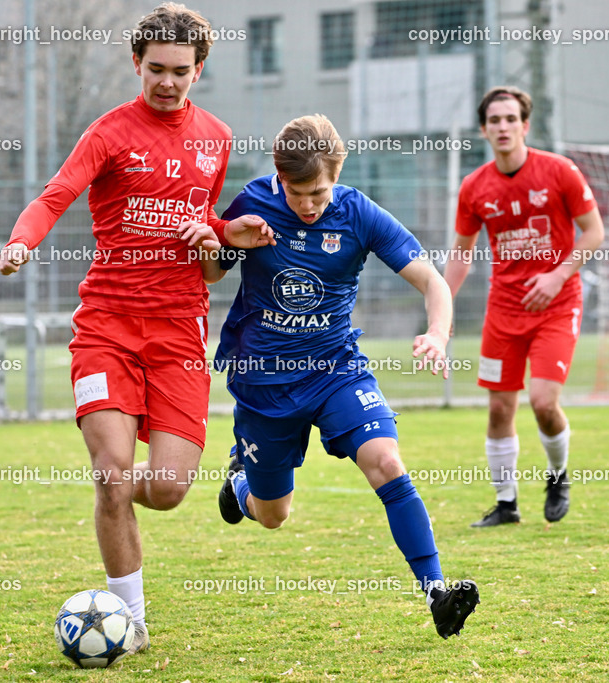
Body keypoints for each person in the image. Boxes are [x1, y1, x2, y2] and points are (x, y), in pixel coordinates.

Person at [0, 3, 274, 655]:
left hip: (179, 332)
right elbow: (55, 194)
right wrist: (20, 241)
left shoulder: (217, 137)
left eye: (181, 71)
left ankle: (192, 490)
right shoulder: (109, 132)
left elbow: (210, 266)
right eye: (156, 69)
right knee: (112, 473)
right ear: (136, 64)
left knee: (171, 489)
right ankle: (131, 619)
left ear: (199, 69)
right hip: (108, 328)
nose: (168, 82)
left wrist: (221, 237)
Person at [210, 114, 480, 639]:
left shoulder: (359, 213)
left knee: (386, 460)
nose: (310, 204)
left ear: (338, 174)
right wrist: (221, 239)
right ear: (277, 175)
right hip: (266, 384)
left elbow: (432, 280)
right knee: (272, 515)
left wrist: (439, 333)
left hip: (336, 370)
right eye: (298, 192)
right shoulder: (250, 203)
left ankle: (436, 592)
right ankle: (242, 481)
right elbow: (212, 271)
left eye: (320, 192)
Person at [442, 86, 605, 527]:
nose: (503, 127)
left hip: (557, 304)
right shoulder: (475, 187)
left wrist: (557, 275)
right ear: (484, 129)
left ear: (525, 125)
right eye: (494, 120)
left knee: (543, 401)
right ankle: (507, 504)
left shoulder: (559, 171)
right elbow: (461, 254)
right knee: (499, 408)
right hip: (504, 310)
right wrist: (442, 309)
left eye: (511, 119)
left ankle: (557, 476)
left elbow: (593, 232)